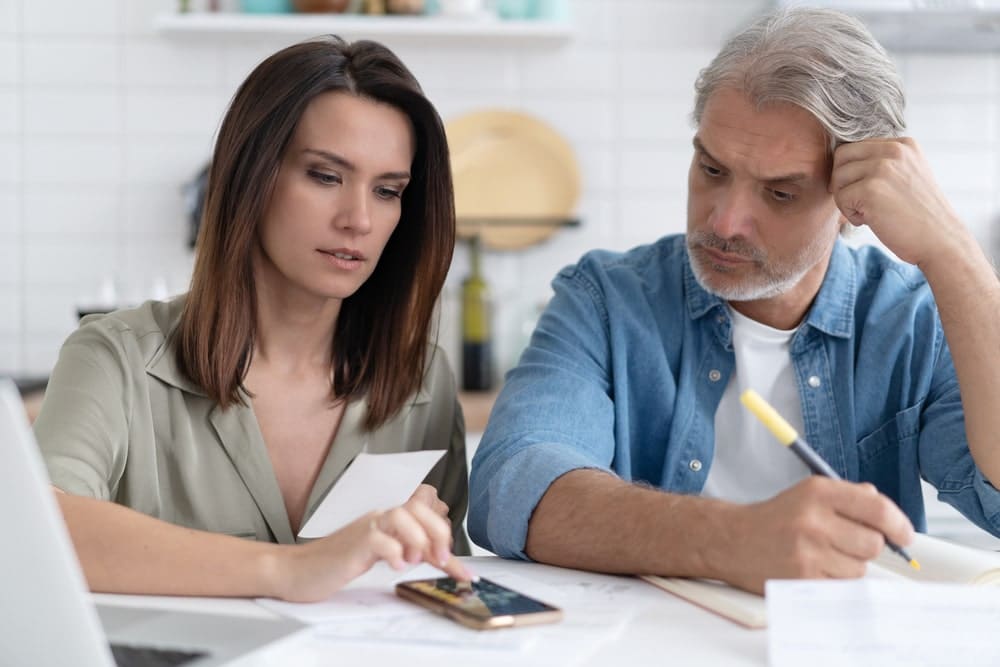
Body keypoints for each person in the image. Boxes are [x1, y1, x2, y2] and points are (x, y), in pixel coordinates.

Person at [468, 6, 1000, 594]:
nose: (725, 222)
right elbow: (510, 489)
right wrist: (733, 541)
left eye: (779, 192)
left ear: (854, 199)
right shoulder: (607, 301)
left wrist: (954, 253)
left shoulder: (910, 322)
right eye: (712, 168)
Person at [33, 35, 473, 602]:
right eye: (324, 176)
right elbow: (38, 534)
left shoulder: (421, 379)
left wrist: (417, 544)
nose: (358, 219)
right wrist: (294, 569)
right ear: (252, 176)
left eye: (387, 190)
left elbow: (447, 590)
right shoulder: (114, 359)